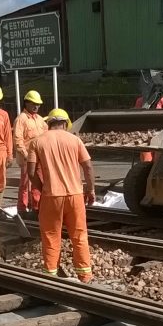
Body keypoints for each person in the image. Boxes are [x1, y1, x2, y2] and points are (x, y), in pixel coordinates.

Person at [26, 108, 95, 283]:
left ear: (48, 123)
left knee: (50, 235)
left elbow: (31, 172)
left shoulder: (37, 142)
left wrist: (42, 188)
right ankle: (85, 276)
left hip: (51, 195)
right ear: (65, 124)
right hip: (75, 195)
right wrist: (91, 189)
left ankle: (50, 275)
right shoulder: (75, 140)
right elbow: (88, 167)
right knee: (79, 235)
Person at [13, 90, 48, 216]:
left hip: (39, 157)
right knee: (25, 183)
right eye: (33, 103)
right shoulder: (21, 119)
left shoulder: (39, 119)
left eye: (38, 104)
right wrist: (26, 156)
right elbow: (18, 140)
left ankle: (36, 207)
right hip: (26, 158)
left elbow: (46, 136)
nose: (36, 106)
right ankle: (22, 209)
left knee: (38, 182)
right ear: (26, 103)